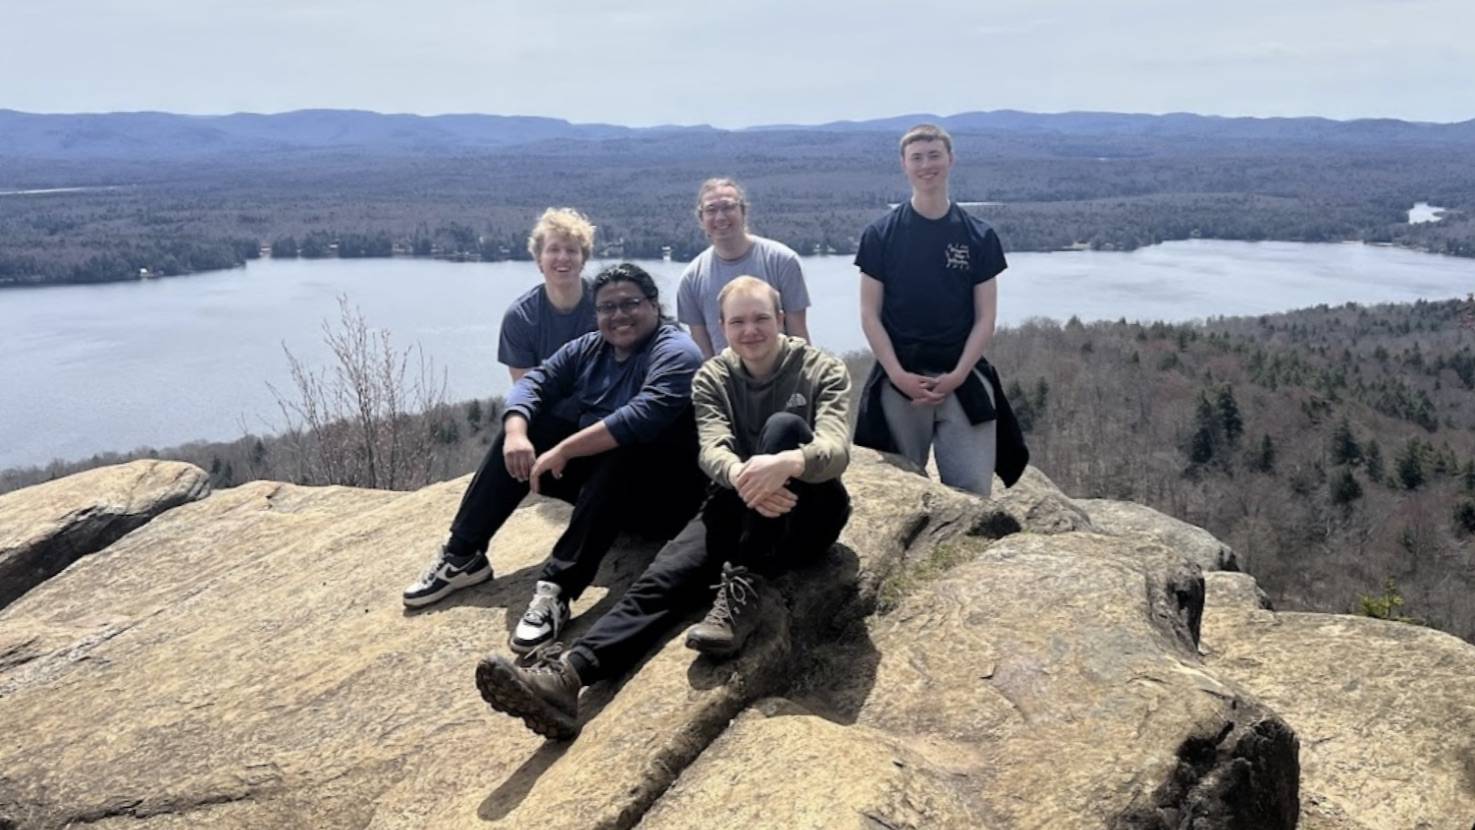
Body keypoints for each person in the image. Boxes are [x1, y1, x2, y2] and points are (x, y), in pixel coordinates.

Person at [474, 276, 852, 740]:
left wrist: (788, 462)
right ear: (722, 327)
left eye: (760, 319)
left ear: (779, 319)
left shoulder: (820, 369)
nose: (750, 330)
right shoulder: (714, 377)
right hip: (736, 497)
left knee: (783, 427)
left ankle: (745, 586)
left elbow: (836, 447)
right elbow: (712, 449)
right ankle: (568, 678)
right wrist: (745, 478)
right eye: (738, 322)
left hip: (810, 508)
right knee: (663, 576)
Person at [402, 263, 707, 657]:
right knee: (533, 425)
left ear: (653, 305)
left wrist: (564, 451)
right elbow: (535, 382)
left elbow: (641, 416)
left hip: (665, 501)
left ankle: (557, 591)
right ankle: (463, 555)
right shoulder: (590, 348)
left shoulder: (676, 352)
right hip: (605, 497)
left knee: (625, 447)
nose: (618, 315)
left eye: (630, 303)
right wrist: (516, 433)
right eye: (607, 307)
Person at [853, 123, 1027, 496]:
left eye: (934, 155)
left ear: (951, 160)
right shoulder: (880, 235)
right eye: (916, 157)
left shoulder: (979, 236)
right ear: (904, 164)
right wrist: (897, 374)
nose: (926, 165)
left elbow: (985, 318)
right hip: (900, 379)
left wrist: (959, 374)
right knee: (901, 492)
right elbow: (869, 314)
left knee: (973, 492)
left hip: (962, 377)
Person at [677, 178, 812, 358]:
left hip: (783, 372)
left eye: (728, 207)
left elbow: (799, 337)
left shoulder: (782, 261)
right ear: (701, 219)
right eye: (711, 210)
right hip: (725, 375)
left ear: (743, 211)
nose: (720, 217)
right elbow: (704, 352)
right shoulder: (691, 280)